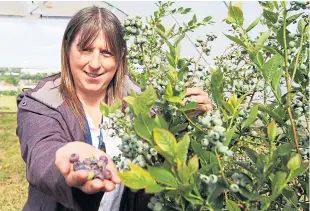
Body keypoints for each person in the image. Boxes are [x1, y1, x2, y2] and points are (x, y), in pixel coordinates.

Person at [16, 6, 212, 211]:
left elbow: (164, 159)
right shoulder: (42, 102)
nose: (94, 63)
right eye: (85, 49)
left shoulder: (142, 105)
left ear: (120, 57)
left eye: (106, 52)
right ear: (67, 49)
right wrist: (65, 156)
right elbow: (41, 152)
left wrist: (183, 119)